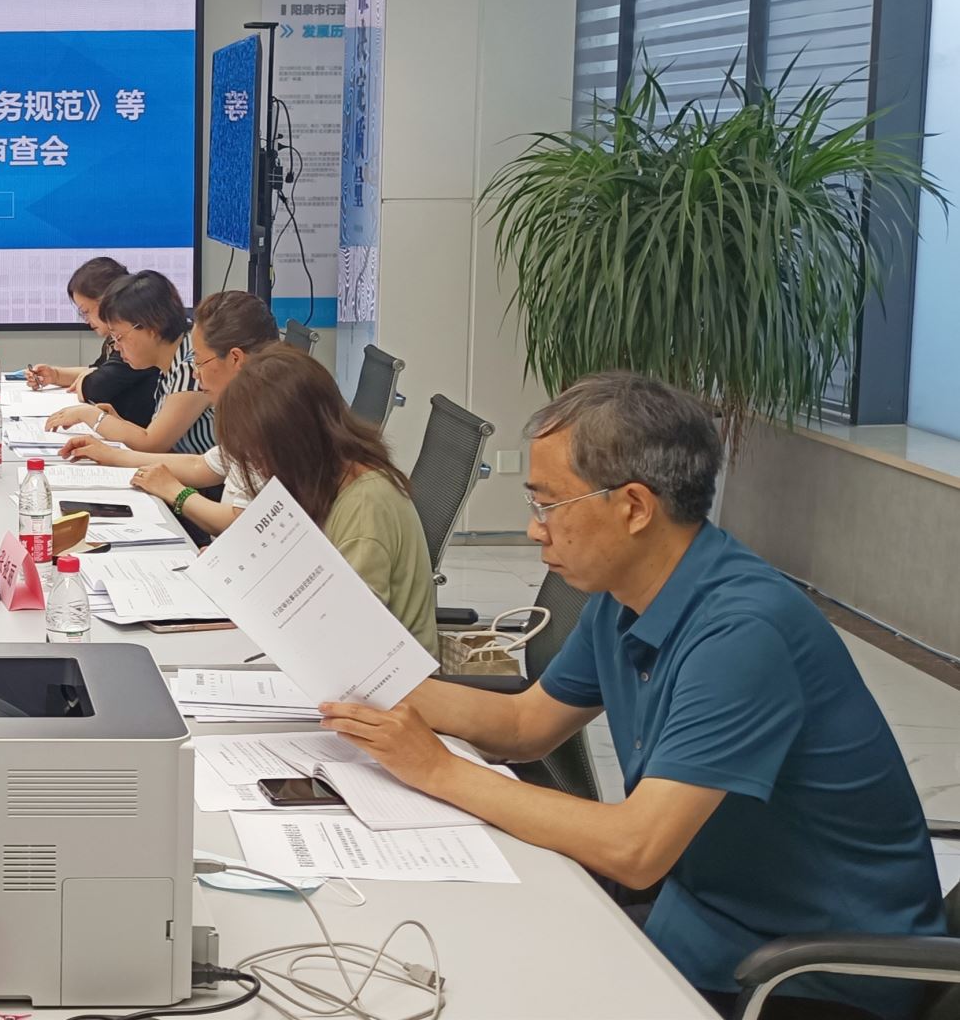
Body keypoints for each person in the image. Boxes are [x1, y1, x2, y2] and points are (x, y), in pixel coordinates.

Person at [319, 373, 943, 1020]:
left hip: (806, 977)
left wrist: (438, 770)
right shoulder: (624, 597)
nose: (534, 530)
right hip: (701, 920)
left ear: (635, 507)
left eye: (548, 505)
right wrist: (367, 686)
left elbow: (636, 849)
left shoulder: (744, 633)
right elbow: (525, 725)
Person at [213, 344, 436, 647]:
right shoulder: (327, 479)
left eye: (261, 453)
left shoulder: (364, 506)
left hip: (380, 671)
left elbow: (346, 633)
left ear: (296, 443)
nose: (260, 467)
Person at [56, 290, 278, 536]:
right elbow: (202, 465)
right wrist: (111, 455)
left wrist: (175, 491)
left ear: (235, 359)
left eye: (200, 362)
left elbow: (242, 523)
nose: (195, 373)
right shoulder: (251, 407)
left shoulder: (269, 419)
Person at [43, 269, 212, 455]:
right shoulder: (169, 364)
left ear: (152, 327)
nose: (116, 347)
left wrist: (89, 414)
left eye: (119, 337)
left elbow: (153, 444)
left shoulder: (192, 367)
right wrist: (117, 423)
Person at [26, 256, 161, 428]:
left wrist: (89, 380)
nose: (85, 320)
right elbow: (98, 370)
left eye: (86, 311)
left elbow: (96, 386)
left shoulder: (135, 340)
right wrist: (56, 375)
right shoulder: (115, 340)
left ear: (109, 301)